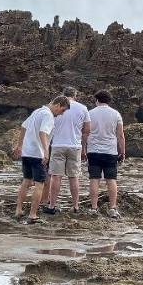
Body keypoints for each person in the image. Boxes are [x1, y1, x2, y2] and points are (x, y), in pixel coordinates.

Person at [11, 96, 70, 224]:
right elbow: (42, 133)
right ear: (58, 105)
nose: (61, 114)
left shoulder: (37, 111)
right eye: (62, 110)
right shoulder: (48, 115)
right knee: (39, 184)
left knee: (26, 181)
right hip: (38, 154)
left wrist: (19, 145)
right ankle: (32, 215)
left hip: (27, 152)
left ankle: (18, 210)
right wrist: (46, 151)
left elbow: (23, 127)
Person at [42, 86, 90, 214]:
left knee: (56, 176)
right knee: (74, 177)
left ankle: (51, 206)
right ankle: (75, 206)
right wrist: (84, 147)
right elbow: (86, 130)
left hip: (57, 145)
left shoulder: (56, 107)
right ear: (75, 95)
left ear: (63, 95)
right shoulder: (83, 108)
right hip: (75, 146)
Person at [85, 90, 127, 218]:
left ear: (97, 100)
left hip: (93, 151)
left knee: (94, 179)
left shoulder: (90, 114)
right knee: (111, 180)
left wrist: (83, 149)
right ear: (109, 101)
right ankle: (112, 208)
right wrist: (123, 151)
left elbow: (85, 133)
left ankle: (94, 208)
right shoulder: (116, 114)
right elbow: (120, 135)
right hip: (110, 151)